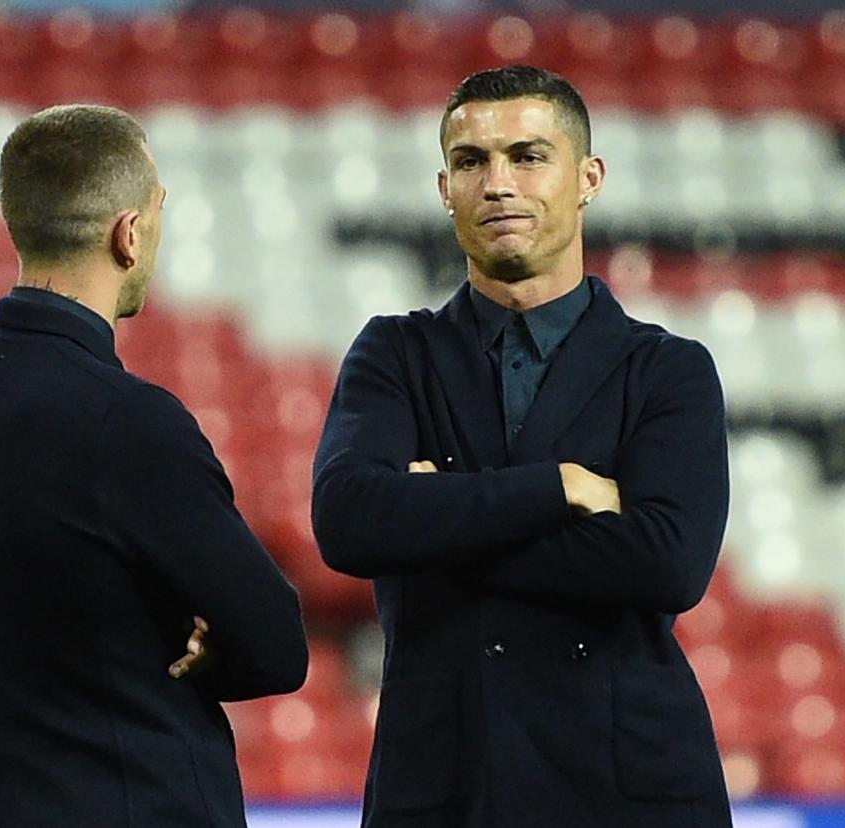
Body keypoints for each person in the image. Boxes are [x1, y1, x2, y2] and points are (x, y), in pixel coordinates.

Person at [312, 65, 732, 827]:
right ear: (445, 188)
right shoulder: (392, 353)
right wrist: (559, 489)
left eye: (529, 156)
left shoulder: (669, 368)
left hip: (625, 789)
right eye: (472, 162)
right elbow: (348, 521)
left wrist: (434, 514)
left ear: (588, 177)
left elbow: (667, 563)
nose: (498, 183)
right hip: (443, 787)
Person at [0, 104, 308, 828]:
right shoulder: (128, 420)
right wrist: (199, 643)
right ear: (129, 232)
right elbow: (277, 645)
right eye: (158, 212)